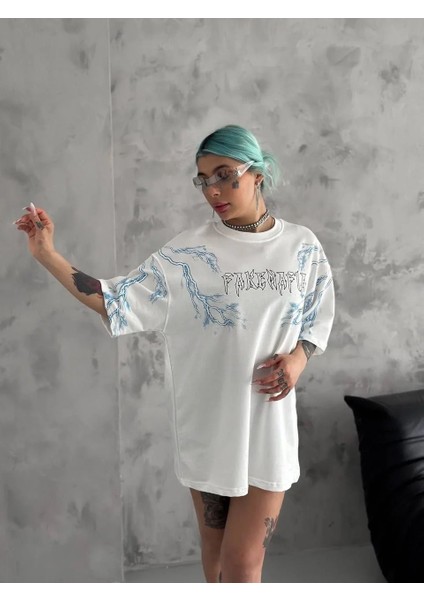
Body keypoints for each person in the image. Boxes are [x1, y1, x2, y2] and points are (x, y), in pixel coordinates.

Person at [14, 124, 335, 583]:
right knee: (218, 558)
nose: (213, 190)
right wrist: (47, 254)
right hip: (210, 429)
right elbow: (115, 300)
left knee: (244, 563)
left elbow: (317, 312)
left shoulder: (301, 247)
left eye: (224, 175)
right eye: (203, 180)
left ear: (257, 174)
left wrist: (299, 359)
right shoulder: (188, 254)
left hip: (269, 426)